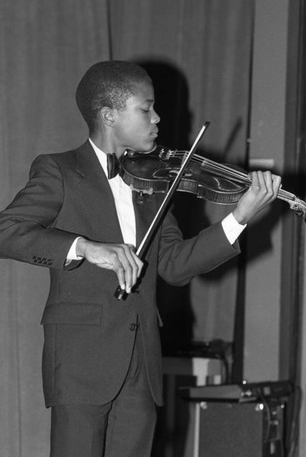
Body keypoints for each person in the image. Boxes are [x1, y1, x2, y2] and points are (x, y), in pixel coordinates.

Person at [0, 60, 281, 457]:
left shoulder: (152, 185)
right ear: (109, 115)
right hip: (81, 359)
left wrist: (240, 216)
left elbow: (175, 265)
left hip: (142, 364)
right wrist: (85, 247)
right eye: (146, 108)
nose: (158, 118)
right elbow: (7, 231)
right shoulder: (60, 170)